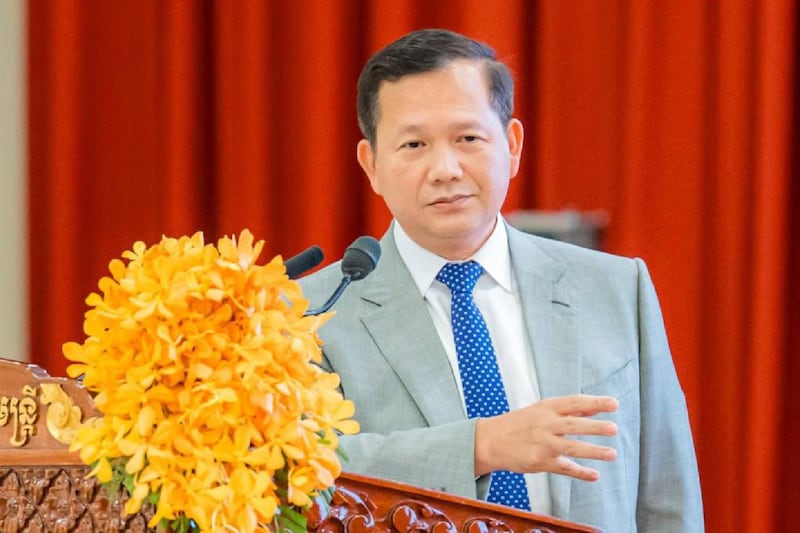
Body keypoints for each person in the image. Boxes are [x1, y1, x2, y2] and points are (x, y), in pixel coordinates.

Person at [300, 28, 703, 532]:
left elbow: (667, 497)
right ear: (372, 165)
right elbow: (303, 472)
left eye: (467, 138)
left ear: (512, 146)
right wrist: (481, 447)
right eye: (414, 144)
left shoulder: (617, 288)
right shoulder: (309, 314)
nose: (445, 169)